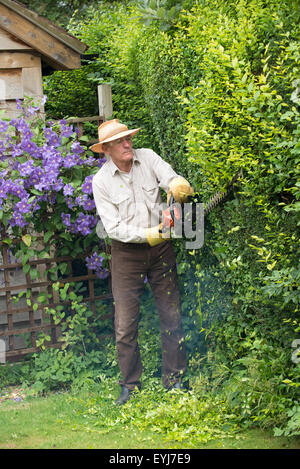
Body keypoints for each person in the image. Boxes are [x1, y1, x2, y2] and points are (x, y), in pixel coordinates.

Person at [91, 119, 194, 405]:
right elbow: (113, 229)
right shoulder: (101, 182)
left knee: (171, 315)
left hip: (162, 251)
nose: (128, 144)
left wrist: (177, 188)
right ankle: (130, 386)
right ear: (107, 149)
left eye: (129, 138)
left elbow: (170, 177)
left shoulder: (147, 157)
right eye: (121, 141)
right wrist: (151, 234)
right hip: (125, 255)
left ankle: (174, 381)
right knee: (125, 324)